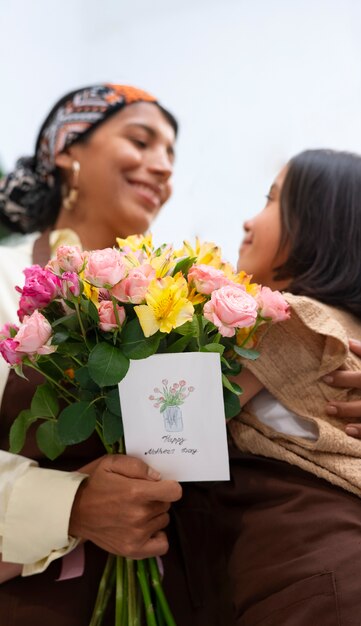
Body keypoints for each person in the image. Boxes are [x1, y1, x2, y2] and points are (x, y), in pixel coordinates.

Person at [0, 83, 233, 626]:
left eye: (171, 155)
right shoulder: (4, 279)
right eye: (141, 140)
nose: (162, 168)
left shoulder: (181, 301)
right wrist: (74, 507)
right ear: (67, 151)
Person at [217, 149, 361, 624]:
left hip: (334, 590)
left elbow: (171, 434)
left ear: (326, 229)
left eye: (271, 200)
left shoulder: (288, 322)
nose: (248, 221)